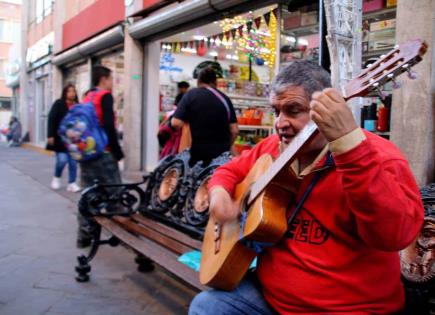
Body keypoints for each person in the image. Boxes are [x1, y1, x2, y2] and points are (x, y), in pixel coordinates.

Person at [189, 61, 424, 314]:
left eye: (293, 110)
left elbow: (396, 236)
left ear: (326, 110)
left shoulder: (380, 156)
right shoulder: (273, 147)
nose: (280, 122)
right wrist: (219, 193)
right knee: (207, 306)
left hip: (350, 309)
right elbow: (229, 171)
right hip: (269, 298)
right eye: (276, 111)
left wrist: (350, 149)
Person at [77, 65, 124, 248]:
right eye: (111, 79)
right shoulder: (105, 96)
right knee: (116, 194)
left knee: (88, 195)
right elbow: (109, 127)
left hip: (87, 154)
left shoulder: (87, 96)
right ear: (104, 79)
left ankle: (84, 235)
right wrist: (117, 151)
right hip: (103, 154)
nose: (112, 83)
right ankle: (120, 233)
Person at [171, 67, 239, 166]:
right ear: (215, 82)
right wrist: (227, 145)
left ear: (198, 81)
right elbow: (234, 130)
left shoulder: (190, 95)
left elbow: (176, 123)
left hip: (197, 155)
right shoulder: (225, 99)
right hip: (221, 158)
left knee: (195, 180)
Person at [47, 84, 81, 192]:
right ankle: (56, 178)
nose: (72, 93)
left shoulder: (78, 106)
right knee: (62, 160)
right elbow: (51, 118)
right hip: (60, 139)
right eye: (69, 91)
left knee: (73, 162)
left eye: (73, 91)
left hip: (74, 140)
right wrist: (50, 135)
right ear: (65, 93)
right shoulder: (59, 103)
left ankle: (72, 183)